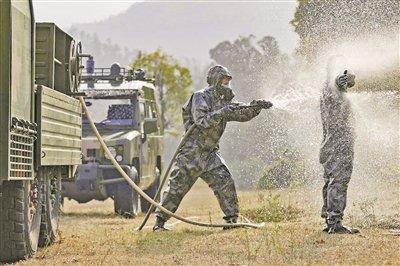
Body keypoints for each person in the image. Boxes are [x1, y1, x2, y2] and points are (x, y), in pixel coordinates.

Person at [153, 65, 273, 231]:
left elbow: (240, 114)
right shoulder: (200, 97)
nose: (227, 84)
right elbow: (201, 121)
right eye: (224, 80)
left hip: (210, 154)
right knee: (177, 188)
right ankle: (159, 223)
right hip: (191, 153)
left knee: (225, 181)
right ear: (216, 80)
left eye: (228, 81)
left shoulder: (224, 102)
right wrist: (222, 112)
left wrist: (256, 107)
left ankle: (231, 221)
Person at [319, 56, 359, 234]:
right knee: (339, 180)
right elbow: (338, 83)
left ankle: (330, 221)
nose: (352, 77)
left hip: (329, 142)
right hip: (339, 143)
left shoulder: (328, 89)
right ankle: (335, 222)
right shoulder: (334, 88)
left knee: (330, 179)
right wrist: (339, 81)